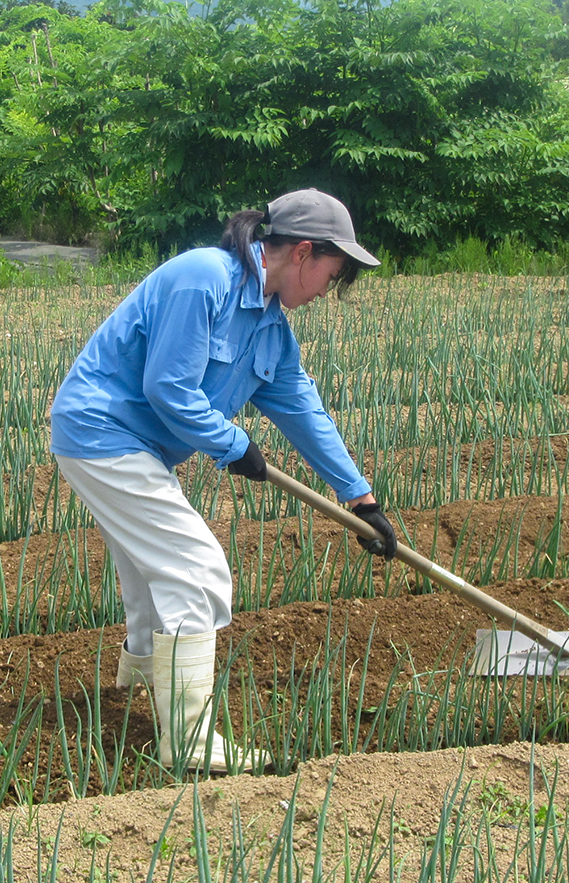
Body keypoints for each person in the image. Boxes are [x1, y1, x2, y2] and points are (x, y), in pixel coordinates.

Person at [49, 189, 399, 773]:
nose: (325, 293)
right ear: (302, 253)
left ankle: (132, 692)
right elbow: (169, 388)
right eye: (330, 276)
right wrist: (236, 447)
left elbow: (303, 409)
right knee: (196, 570)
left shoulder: (269, 327)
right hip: (101, 430)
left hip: (134, 447)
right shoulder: (203, 279)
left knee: (149, 573)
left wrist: (359, 498)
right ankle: (187, 742)